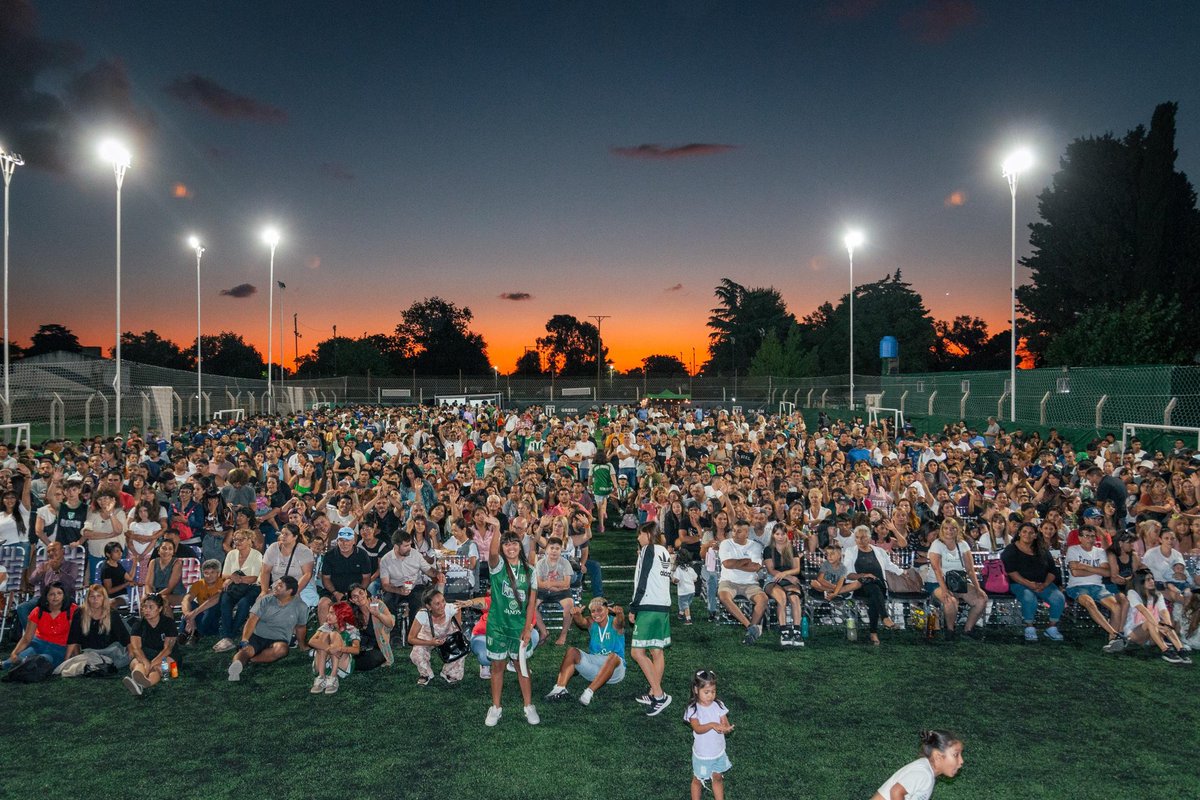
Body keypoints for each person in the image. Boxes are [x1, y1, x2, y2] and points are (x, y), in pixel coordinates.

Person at [483, 527, 539, 727]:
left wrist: (527, 628)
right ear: (502, 547)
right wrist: (497, 528)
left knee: (521, 666)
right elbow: (491, 554)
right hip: (497, 626)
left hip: (518, 628)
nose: (511, 547)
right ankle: (496, 707)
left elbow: (532, 604)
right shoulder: (497, 566)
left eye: (514, 543)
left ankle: (528, 705)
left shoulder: (531, 570)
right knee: (497, 667)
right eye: (506, 544)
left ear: (520, 546)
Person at [545, 597, 626, 706]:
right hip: (595, 665)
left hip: (615, 671)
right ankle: (560, 688)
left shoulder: (614, 622)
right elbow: (582, 623)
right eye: (593, 611)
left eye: (599, 610)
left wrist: (620, 614)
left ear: (607, 610)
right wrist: (577, 614)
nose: (596, 613)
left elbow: (620, 623)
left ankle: (589, 692)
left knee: (613, 657)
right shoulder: (592, 622)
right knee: (572, 651)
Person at [227, 576, 309, 682]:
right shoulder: (265, 600)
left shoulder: (300, 606)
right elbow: (252, 620)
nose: (275, 587)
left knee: (281, 650)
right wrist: (244, 639)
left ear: (289, 591)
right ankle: (236, 666)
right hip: (258, 635)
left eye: (280, 586)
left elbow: (301, 627)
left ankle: (250, 660)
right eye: (276, 584)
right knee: (246, 650)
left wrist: (302, 646)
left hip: (279, 638)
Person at [630, 522, 673, 716]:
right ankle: (653, 691)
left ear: (648, 534)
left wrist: (634, 606)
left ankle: (659, 694)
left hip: (649, 605)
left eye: (640, 534)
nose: (638, 538)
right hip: (663, 605)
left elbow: (643, 580)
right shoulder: (664, 551)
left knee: (637, 652)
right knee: (656, 650)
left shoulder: (648, 549)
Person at [1064, 525, 1127, 653]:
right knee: (1089, 603)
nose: (1090, 539)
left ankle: (1112, 641)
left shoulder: (1100, 552)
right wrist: (1097, 571)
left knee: (1116, 606)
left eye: (1093, 536)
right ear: (1080, 538)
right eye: (1087, 536)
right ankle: (1115, 634)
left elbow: (1107, 572)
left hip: (1097, 586)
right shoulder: (1073, 550)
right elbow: (1075, 573)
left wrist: (1084, 567)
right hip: (1077, 586)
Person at [1001, 522, 1066, 642]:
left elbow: (1052, 570)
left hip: (1042, 584)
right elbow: (1011, 572)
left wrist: (1045, 584)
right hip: (1019, 584)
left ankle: (1051, 627)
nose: (1027, 534)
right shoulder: (1011, 549)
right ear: (1019, 533)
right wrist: (1029, 584)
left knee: (1059, 598)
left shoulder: (1042, 549)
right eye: (1024, 532)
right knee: (1029, 598)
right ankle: (1029, 627)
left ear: (1036, 535)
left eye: (1031, 532)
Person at [926, 520, 986, 641]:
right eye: (946, 528)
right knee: (950, 601)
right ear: (942, 530)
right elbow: (937, 569)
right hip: (937, 582)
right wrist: (944, 590)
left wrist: (978, 588)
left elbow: (970, 570)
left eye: (952, 528)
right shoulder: (937, 544)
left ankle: (968, 629)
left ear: (957, 530)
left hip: (959, 582)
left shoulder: (963, 544)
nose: (949, 531)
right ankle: (950, 629)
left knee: (982, 599)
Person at [843, 526, 904, 645]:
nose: (860, 540)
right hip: (859, 587)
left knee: (874, 592)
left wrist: (903, 572)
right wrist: (865, 575)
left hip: (880, 585)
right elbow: (847, 574)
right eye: (857, 537)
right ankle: (883, 620)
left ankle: (874, 632)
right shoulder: (850, 552)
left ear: (869, 538)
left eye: (863, 537)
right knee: (873, 589)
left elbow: (890, 566)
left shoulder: (879, 551)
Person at [2, 582, 76, 671]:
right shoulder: (38, 611)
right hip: (38, 644)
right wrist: (14, 653)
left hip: (59, 648)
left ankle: (26, 666)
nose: (56, 596)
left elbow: (74, 637)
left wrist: (71, 657)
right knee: (12, 661)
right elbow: (27, 638)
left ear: (64, 595)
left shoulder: (72, 609)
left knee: (42, 660)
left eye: (59, 593)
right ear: (46, 597)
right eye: (51, 594)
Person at [684, 669, 733, 800]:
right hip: (703, 755)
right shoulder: (693, 709)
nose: (710, 695)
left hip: (718, 752)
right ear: (696, 689)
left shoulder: (718, 704)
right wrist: (712, 724)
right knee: (697, 780)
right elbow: (697, 728)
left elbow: (724, 721)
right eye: (706, 692)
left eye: (713, 691)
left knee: (717, 777)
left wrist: (726, 727)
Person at [1124, 569, 1192, 665]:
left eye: (1152, 578)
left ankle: (1180, 649)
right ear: (1140, 581)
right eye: (1148, 579)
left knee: (1165, 623)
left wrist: (1167, 624)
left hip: (1152, 634)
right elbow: (1143, 610)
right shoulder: (1132, 593)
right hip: (1134, 633)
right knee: (1150, 621)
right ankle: (1166, 650)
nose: (1152, 581)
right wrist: (1158, 625)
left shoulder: (1157, 594)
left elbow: (1163, 611)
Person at [872, 730, 965, 800]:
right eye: (956, 755)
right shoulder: (923, 773)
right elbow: (896, 791)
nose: (961, 761)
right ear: (938, 756)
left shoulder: (925, 769)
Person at [717, 520, 768, 645]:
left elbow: (755, 567)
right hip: (729, 581)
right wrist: (745, 561)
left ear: (747, 533)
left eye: (739, 531)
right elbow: (727, 564)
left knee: (763, 599)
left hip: (750, 583)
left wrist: (736, 563)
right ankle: (750, 627)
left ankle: (751, 632)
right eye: (733, 530)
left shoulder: (755, 546)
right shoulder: (725, 543)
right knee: (723, 596)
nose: (734, 533)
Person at [212, 529, 264, 652]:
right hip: (236, 587)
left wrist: (235, 578)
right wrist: (231, 578)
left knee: (244, 603)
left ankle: (229, 634)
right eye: (235, 539)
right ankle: (227, 636)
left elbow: (254, 578)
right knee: (225, 599)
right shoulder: (231, 554)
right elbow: (224, 574)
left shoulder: (256, 555)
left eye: (242, 539)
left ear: (249, 541)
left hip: (253, 587)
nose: (238, 542)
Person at [408, 586, 468, 686]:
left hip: (447, 634)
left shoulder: (451, 608)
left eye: (443, 601)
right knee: (416, 653)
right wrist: (430, 642)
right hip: (427, 637)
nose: (442, 605)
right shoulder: (422, 614)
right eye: (437, 604)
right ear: (428, 606)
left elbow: (458, 621)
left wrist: (454, 636)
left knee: (460, 648)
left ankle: (449, 673)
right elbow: (410, 639)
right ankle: (425, 674)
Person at [16, 541, 79, 631]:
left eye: (54, 550)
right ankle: (35, 637)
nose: (51, 553)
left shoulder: (72, 565)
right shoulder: (43, 565)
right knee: (22, 608)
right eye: (48, 551)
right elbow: (32, 581)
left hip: (65, 597)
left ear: (63, 551)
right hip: (44, 598)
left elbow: (70, 583)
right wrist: (39, 572)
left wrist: (58, 571)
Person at [122, 593, 178, 696]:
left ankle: (144, 683)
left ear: (160, 609)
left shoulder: (169, 623)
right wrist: (145, 662)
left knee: (159, 667)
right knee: (138, 664)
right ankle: (139, 680)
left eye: (151, 607)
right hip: (145, 654)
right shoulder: (138, 625)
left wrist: (151, 664)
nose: (146, 610)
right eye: (144, 607)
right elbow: (136, 648)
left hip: (166, 656)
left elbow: (168, 649)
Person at [307, 600, 360, 694]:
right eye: (328, 613)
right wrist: (330, 648)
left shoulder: (351, 628)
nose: (328, 616)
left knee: (334, 635)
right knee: (323, 636)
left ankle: (333, 676)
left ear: (342, 615)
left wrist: (339, 648)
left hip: (341, 664)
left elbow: (356, 650)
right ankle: (321, 676)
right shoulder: (326, 626)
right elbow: (311, 641)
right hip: (324, 663)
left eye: (331, 613)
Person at [763, 528, 804, 645]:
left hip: (789, 578)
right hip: (773, 579)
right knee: (781, 598)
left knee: (795, 598)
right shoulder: (768, 549)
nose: (780, 537)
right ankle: (784, 631)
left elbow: (797, 569)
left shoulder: (792, 549)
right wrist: (787, 576)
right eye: (777, 534)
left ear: (787, 535)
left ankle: (797, 631)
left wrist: (786, 574)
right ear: (773, 535)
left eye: (783, 534)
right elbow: (771, 570)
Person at [533, 536, 576, 646]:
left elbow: (566, 584)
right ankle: (543, 631)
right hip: (543, 591)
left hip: (561, 592)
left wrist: (550, 584)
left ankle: (563, 634)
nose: (554, 551)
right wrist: (555, 586)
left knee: (569, 605)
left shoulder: (565, 563)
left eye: (557, 548)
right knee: (531, 605)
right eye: (551, 548)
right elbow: (539, 583)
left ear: (561, 550)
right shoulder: (540, 563)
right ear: (546, 549)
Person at [347, 583, 395, 671]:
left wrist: (378, 614)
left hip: (380, 645)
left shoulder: (378, 604)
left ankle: (348, 664)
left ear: (365, 592)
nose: (359, 597)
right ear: (352, 600)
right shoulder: (352, 612)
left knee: (370, 660)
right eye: (355, 596)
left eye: (361, 593)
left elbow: (390, 624)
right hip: (361, 646)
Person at [179, 559, 225, 646]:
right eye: (206, 573)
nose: (209, 576)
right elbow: (186, 599)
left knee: (211, 607)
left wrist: (194, 613)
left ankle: (195, 633)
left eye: (212, 572)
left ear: (218, 573)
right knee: (190, 604)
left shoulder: (223, 582)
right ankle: (184, 633)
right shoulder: (198, 584)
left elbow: (215, 599)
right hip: (199, 615)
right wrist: (189, 617)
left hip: (215, 616)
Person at [672, 553, 698, 625]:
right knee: (685, 603)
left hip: (683, 591)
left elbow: (676, 580)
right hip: (692, 590)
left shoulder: (678, 569)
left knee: (684, 605)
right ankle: (680, 614)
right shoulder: (690, 569)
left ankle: (688, 619)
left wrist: (674, 580)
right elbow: (695, 579)